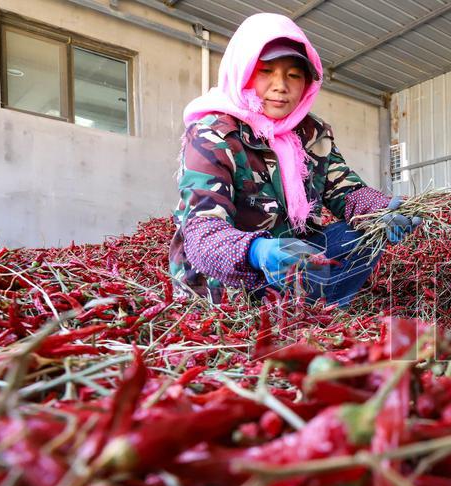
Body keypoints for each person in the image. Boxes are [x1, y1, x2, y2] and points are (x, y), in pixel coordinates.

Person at [169, 13, 418, 305]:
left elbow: (346, 192)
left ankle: (318, 307)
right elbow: (202, 233)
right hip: (228, 279)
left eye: (294, 75)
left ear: (307, 83)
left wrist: (380, 212)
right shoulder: (213, 135)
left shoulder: (312, 134)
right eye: (266, 71)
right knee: (246, 301)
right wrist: (255, 251)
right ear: (242, 72)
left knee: (361, 235)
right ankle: (284, 307)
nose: (281, 86)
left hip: (292, 262)